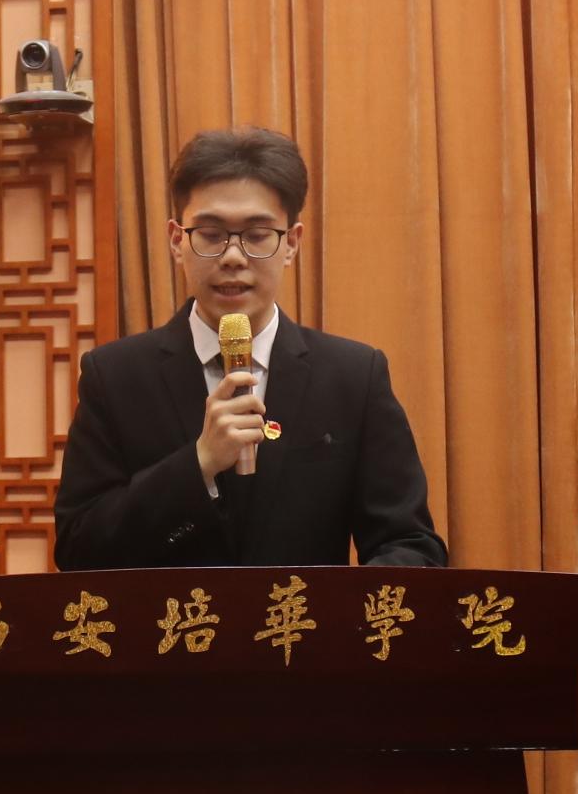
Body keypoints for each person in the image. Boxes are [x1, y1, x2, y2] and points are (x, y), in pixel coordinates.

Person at [54, 127, 446, 570]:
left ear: (291, 243)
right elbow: (78, 549)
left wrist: (338, 606)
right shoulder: (115, 376)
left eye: (257, 235)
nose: (233, 257)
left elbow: (411, 543)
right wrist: (198, 464)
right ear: (177, 241)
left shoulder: (353, 376)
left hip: (302, 615)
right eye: (211, 233)